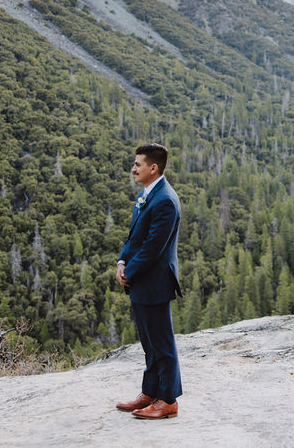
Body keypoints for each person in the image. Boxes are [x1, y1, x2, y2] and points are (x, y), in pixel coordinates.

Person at [114, 143, 183, 419]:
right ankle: (150, 391)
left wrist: (129, 271)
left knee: (162, 343)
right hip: (141, 281)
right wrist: (121, 261)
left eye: (137, 164)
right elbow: (134, 237)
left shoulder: (165, 200)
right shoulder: (147, 194)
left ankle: (168, 400)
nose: (133, 169)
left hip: (154, 282)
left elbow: (154, 247)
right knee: (149, 342)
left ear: (153, 168)